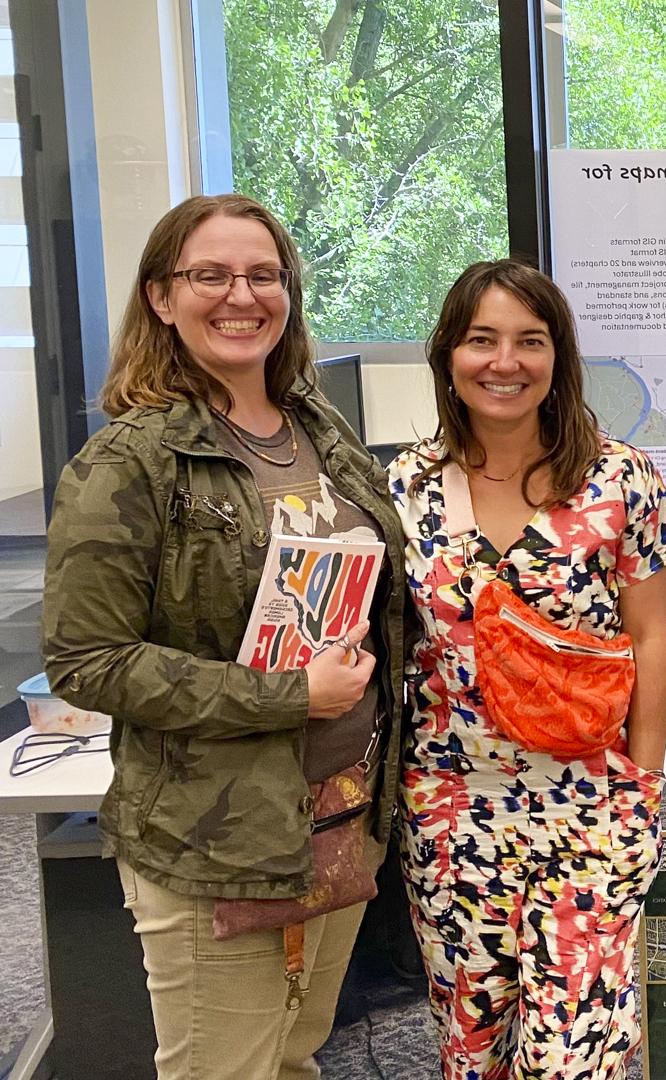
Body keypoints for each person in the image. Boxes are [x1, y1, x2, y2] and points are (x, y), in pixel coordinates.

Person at [39, 193, 408, 1079]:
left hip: (341, 809)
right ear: (163, 297)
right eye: (210, 274)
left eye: (263, 275)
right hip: (217, 836)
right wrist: (289, 696)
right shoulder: (131, 460)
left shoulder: (321, 430)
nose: (241, 295)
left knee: (292, 1057)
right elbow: (86, 659)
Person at [391, 259, 666, 1080]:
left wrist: (644, 786)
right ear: (448, 354)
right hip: (451, 811)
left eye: (530, 340)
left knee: (574, 1056)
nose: (505, 361)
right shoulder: (404, 488)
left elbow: (652, 638)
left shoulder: (622, 477)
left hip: (590, 804)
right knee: (471, 1047)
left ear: (558, 357)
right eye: (481, 339)